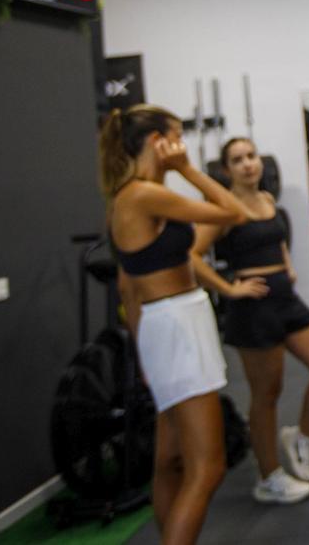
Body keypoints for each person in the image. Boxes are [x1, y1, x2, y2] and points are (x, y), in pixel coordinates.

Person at [99, 105, 251, 545]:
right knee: (208, 467)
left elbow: (128, 288)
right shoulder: (145, 194)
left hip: (162, 328)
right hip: (179, 325)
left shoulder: (129, 197)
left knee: (169, 461)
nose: (182, 146)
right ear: (156, 142)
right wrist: (187, 168)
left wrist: (145, 347)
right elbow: (232, 212)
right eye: (177, 137)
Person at [192, 138, 309, 505]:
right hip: (253, 309)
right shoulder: (223, 208)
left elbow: (278, 242)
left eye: (251, 156)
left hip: (285, 300)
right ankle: (269, 477)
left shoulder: (267, 201)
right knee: (267, 395)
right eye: (238, 160)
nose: (248, 164)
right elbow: (191, 257)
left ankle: (301, 439)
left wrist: (287, 266)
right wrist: (229, 289)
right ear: (226, 170)